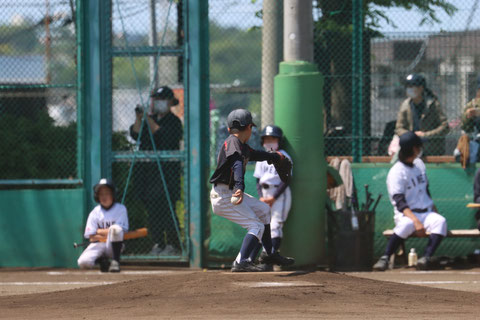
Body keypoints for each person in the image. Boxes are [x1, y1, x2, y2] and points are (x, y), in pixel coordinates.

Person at [209, 109, 295, 272]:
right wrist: (239, 187)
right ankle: (240, 262)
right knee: (255, 225)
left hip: (228, 192)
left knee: (263, 210)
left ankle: (269, 253)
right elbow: (237, 164)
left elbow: (256, 154)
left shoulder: (240, 145)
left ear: (228, 129)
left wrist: (275, 157)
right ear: (249, 127)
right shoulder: (234, 144)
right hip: (225, 195)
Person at [373, 132, 447, 271]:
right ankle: (385, 258)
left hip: (426, 212)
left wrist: (434, 209)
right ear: (413, 149)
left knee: (440, 221)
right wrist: (416, 221)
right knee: (405, 225)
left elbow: (426, 190)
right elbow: (399, 202)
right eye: (419, 146)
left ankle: (425, 258)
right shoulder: (397, 172)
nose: (421, 149)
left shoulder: (419, 165)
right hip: (407, 214)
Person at [130, 86, 183, 256]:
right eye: (156, 100)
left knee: (167, 210)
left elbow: (163, 136)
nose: (158, 103)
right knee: (152, 212)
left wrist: (148, 119)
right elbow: (135, 134)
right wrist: (139, 118)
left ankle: (174, 244)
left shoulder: (174, 122)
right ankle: (158, 243)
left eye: (162, 100)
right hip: (148, 174)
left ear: (169, 102)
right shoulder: (148, 119)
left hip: (167, 175)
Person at [253, 125, 292, 270]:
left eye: (273, 138)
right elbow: (258, 180)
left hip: (279, 194)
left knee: (275, 226)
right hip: (265, 194)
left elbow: (287, 179)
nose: (269, 141)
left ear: (279, 140)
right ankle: (259, 259)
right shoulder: (261, 157)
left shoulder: (284, 156)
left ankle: (267, 262)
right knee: (261, 227)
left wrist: (274, 197)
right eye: (267, 138)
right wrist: (262, 197)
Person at [77, 178, 129, 272]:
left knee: (115, 229)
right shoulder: (94, 212)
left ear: (113, 194)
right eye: (101, 194)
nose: (104, 196)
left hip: (113, 246)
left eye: (107, 193)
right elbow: (91, 238)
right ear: (97, 196)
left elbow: (120, 231)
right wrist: (109, 233)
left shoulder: (120, 209)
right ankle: (103, 261)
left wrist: (98, 231)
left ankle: (115, 261)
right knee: (83, 262)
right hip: (99, 244)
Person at [395, 74, 449, 155]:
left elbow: (445, 127)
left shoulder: (432, 104)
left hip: (431, 148)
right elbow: (399, 128)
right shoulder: (405, 105)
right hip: (411, 147)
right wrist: (412, 136)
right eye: (407, 87)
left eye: (412, 86)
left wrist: (426, 135)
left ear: (421, 88)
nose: (409, 89)